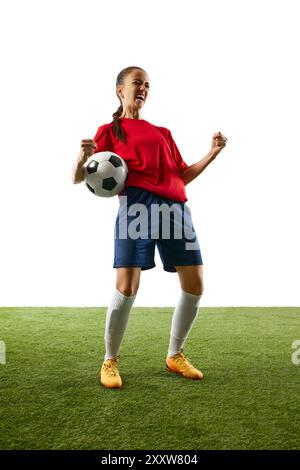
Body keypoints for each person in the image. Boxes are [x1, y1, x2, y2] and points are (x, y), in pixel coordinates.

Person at [72, 66, 227, 389]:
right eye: (136, 83)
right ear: (120, 89)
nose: (142, 88)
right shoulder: (108, 132)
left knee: (195, 284)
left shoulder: (163, 132)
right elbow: (79, 177)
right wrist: (81, 157)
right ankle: (110, 360)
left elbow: (180, 175)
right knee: (127, 286)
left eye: (147, 85)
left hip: (175, 209)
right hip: (137, 207)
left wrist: (211, 154)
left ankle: (175, 355)